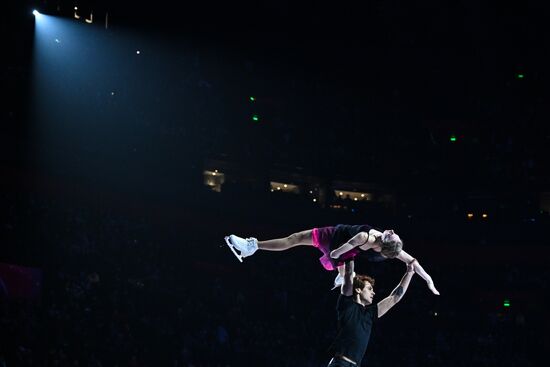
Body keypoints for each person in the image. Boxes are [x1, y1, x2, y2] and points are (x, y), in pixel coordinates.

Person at [225, 224, 439, 294]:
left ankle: (253, 246)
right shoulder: (378, 241)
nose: (391, 230)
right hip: (337, 242)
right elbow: (414, 262)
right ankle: (253, 246)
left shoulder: (371, 239)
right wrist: (429, 280)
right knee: (295, 239)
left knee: (298, 239)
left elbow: (339, 251)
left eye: (392, 235)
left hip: (339, 245)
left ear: (386, 244)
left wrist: (427, 279)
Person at [326, 258, 416, 366]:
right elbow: (349, 273)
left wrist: (409, 273)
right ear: (358, 289)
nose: (373, 293)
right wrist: (350, 253)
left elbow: (394, 298)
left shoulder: (370, 314)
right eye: (369, 289)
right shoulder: (347, 304)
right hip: (340, 363)